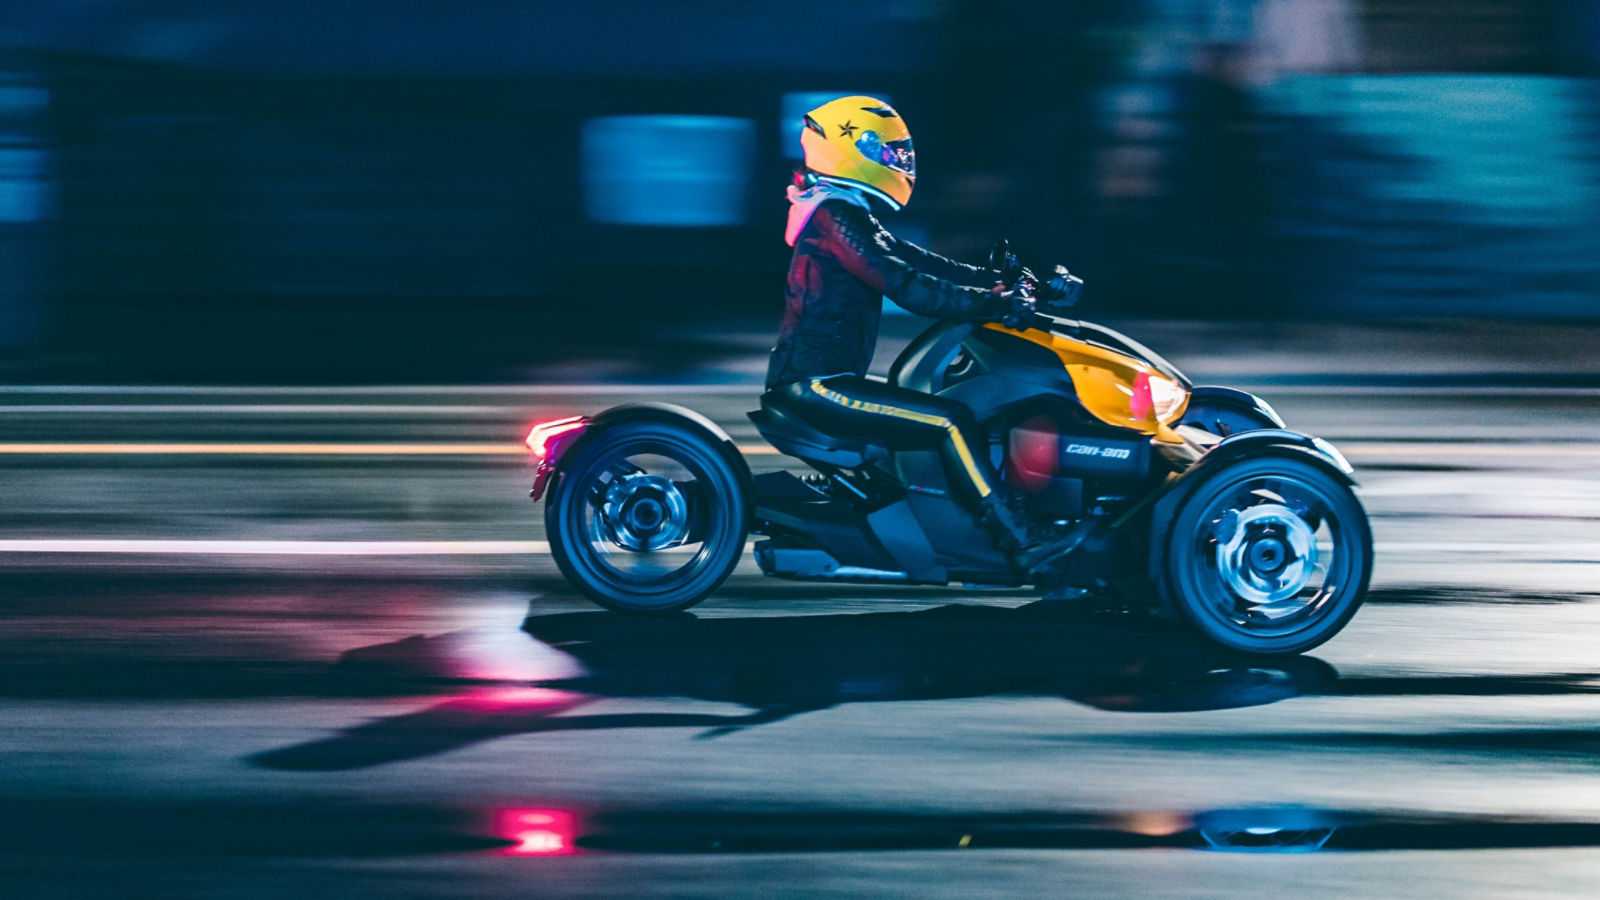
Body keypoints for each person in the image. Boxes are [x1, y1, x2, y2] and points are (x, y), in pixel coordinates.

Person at [764, 95, 1075, 573]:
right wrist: (992, 303)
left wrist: (998, 281)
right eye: (890, 153)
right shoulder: (834, 218)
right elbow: (903, 284)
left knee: (941, 411)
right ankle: (1019, 537)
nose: (900, 162)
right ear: (854, 151)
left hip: (826, 379)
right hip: (817, 386)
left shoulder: (846, 213)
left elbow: (920, 262)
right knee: (949, 420)